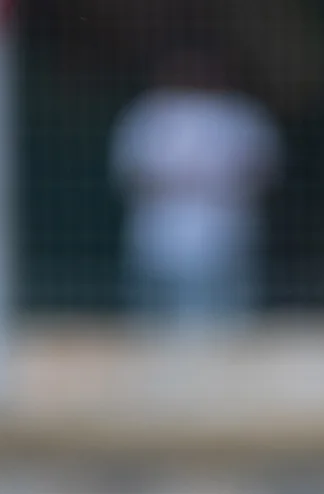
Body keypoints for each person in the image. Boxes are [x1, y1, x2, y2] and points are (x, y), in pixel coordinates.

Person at [111, 48, 281, 333]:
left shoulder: (240, 116)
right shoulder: (149, 114)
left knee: (222, 328)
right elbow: (130, 173)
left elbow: (263, 172)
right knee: (153, 330)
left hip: (225, 239)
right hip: (155, 241)